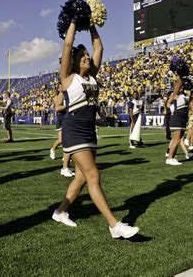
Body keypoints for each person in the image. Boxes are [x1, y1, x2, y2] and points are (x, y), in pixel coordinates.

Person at [52, 21, 139, 239]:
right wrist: (73, 21)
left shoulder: (92, 76)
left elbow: (99, 47)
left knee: (81, 178)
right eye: (82, 55)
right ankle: (114, 225)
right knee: (93, 175)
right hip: (73, 131)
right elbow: (67, 45)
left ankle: (61, 211)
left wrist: (91, 24)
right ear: (73, 60)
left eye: (87, 55)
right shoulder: (67, 79)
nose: (87, 57)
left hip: (89, 131)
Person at [165, 77, 193, 165]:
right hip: (176, 119)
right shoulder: (177, 95)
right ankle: (169, 158)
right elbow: (176, 88)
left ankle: (172, 157)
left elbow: (169, 104)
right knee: (177, 140)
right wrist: (181, 77)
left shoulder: (186, 96)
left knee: (176, 139)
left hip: (181, 119)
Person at [49, 85, 73, 177]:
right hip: (60, 118)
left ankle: (66, 157)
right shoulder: (57, 97)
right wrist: (67, 105)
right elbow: (57, 108)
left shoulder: (67, 94)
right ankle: (53, 149)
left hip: (66, 118)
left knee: (68, 139)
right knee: (61, 139)